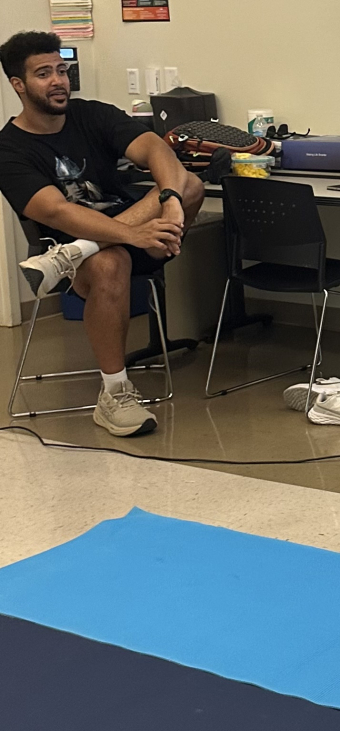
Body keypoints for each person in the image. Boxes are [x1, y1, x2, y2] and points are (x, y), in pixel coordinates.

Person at [0, 30, 204, 437]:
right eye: (44, 73)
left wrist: (169, 198)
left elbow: (155, 149)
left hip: (133, 237)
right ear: (18, 85)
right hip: (68, 241)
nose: (58, 81)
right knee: (111, 260)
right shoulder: (9, 150)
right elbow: (58, 211)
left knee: (191, 185)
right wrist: (133, 233)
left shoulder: (91, 114)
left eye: (62, 70)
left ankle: (78, 252)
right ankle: (114, 394)